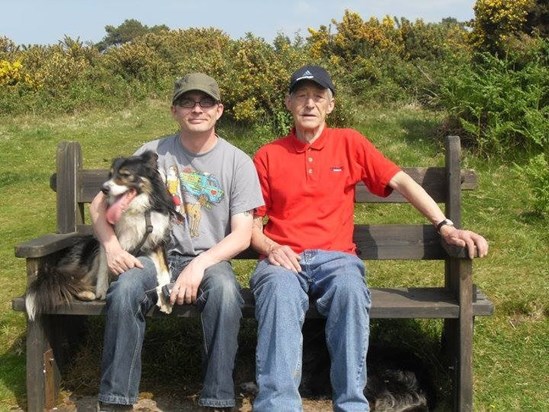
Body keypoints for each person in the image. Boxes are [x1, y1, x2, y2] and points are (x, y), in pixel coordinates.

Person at [249, 64, 489, 411]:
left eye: (318, 96)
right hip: (284, 258)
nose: (310, 104)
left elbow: (402, 182)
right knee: (277, 292)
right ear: (288, 103)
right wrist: (272, 248)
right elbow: (251, 225)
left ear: (331, 105)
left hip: (338, 259)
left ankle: (351, 404)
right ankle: (277, 405)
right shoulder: (268, 154)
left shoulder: (350, 142)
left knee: (349, 292)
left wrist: (444, 225)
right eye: (301, 96)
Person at [90, 72, 264, 411]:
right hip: (152, 257)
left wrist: (198, 265)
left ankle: (218, 399)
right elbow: (100, 203)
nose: (196, 109)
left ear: (219, 110)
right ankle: (115, 400)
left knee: (227, 294)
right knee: (125, 290)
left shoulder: (237, 162)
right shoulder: (150, 152)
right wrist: (111, 248)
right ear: (174, 111)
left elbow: (243, 233)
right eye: (187, 101)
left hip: (209, 260)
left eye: (205, 102)